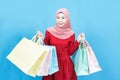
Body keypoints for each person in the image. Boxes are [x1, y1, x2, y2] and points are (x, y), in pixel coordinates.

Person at [37, 8, 85, 80]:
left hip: (66, 66)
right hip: (52, 65)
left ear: (67, 19)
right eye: (58, 17)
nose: (60, 20)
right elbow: (47, 47)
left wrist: (78, 40)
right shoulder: (49, 31)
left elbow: (70, 52)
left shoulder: (71, 33)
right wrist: (42, 38)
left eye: (63, 18)